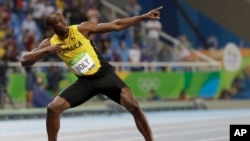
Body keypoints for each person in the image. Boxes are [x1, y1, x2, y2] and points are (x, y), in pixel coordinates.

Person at [21, 6, 163, 141]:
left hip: (105, 76)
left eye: (62, 19)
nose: (63, 23)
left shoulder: (82, 29)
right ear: (52, 28)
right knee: (52, 108)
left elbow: (116, 25)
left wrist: (143, 17)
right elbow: (24, 61)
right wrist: (46, 50)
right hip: (85, 82)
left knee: (134, 106)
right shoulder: (49, 43)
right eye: (58, 22)